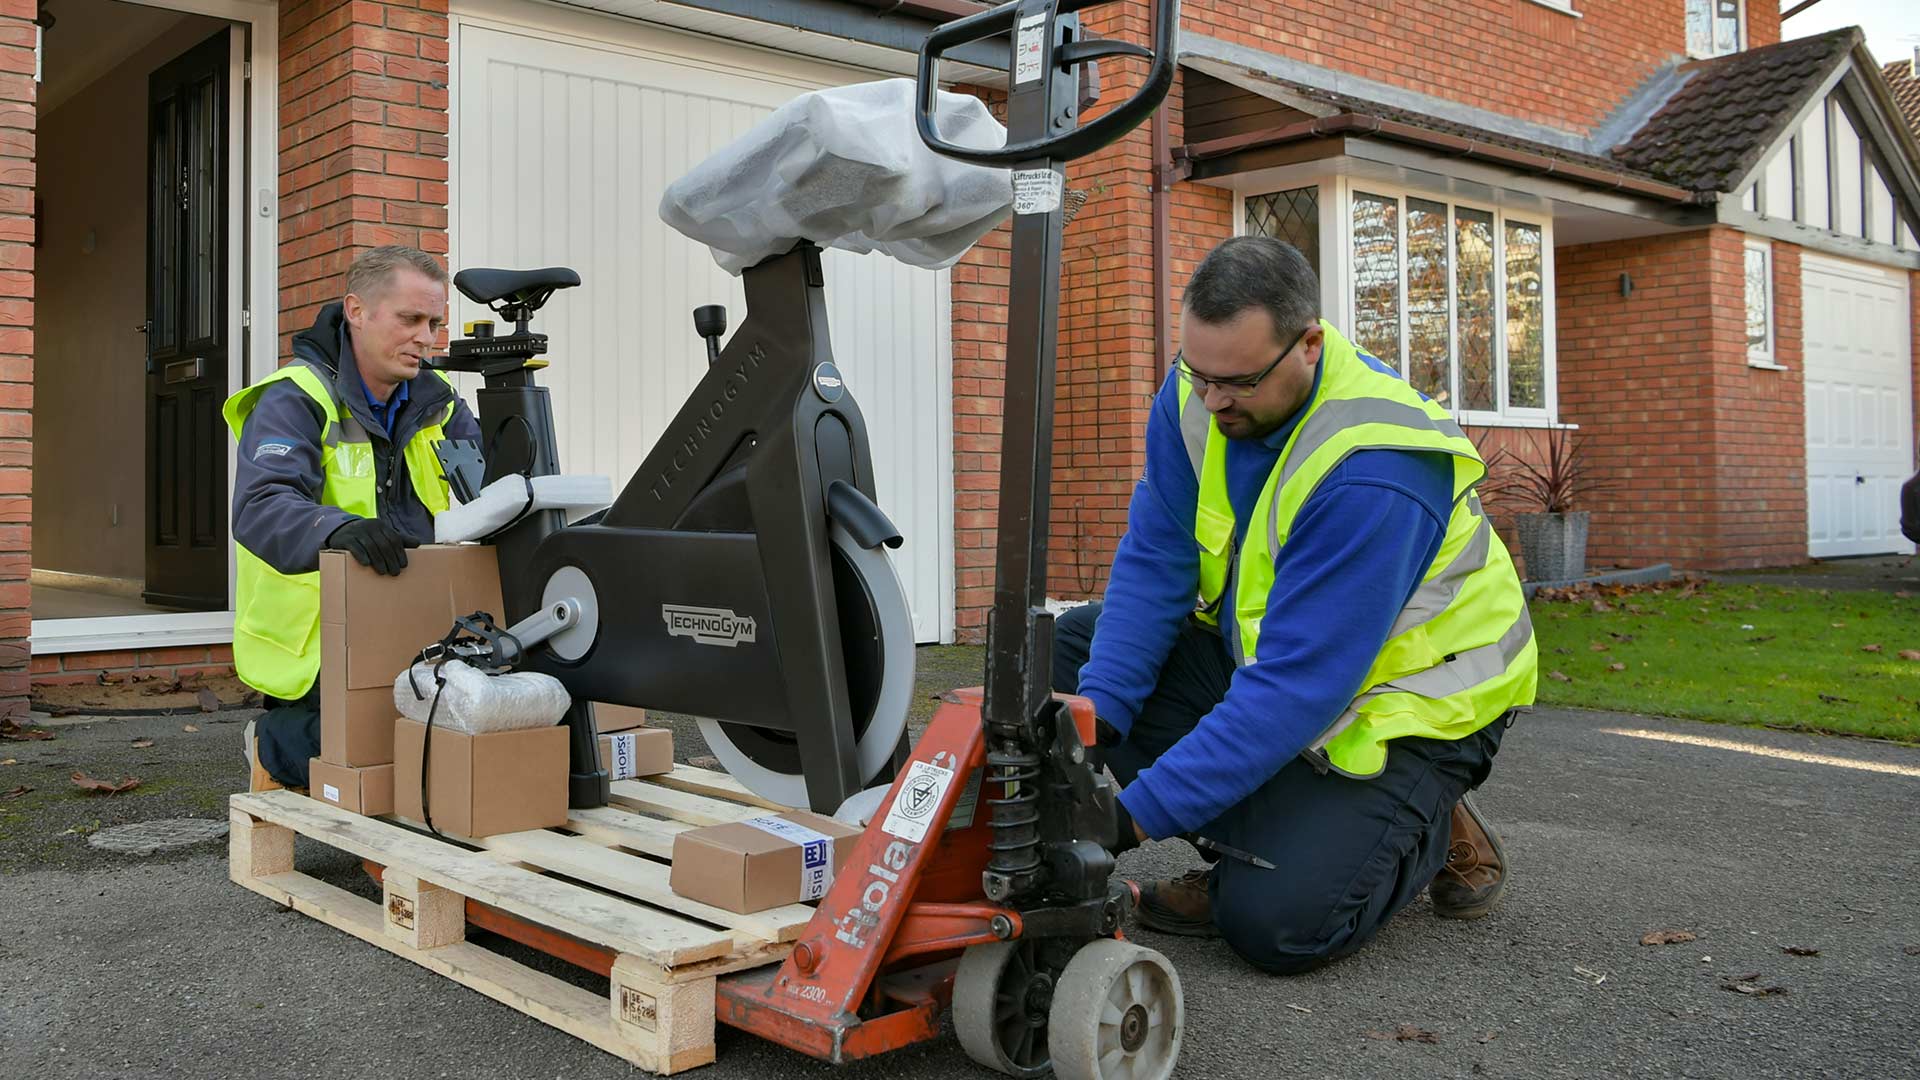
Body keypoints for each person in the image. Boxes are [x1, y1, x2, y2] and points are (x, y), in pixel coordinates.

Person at [1054, 236, 1537, 974]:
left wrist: (1124, 819)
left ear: (1308, 344)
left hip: (1410, 709)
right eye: (1198, 372)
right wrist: (1099, 724)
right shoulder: (1196, 397)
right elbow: (1157, 561)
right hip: (1278, 665)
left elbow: (1293, 692)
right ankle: (1302, 831)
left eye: (1239, 382)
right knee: (1080, 654)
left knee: (1275, 925)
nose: (1213, 400)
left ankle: (1421, 823)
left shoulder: (1375, 468)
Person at [224, 245, 482, 788]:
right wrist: (336, 527)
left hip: (414, 615)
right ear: (357, 311)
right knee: (385, 738)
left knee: (474, 718)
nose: (427, 338)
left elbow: (492, 499)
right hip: (321, 635)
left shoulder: (443, 406)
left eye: (434, 323)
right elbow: (260, 506)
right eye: (410, 319)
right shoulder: (296, 397)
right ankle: (273, 743)